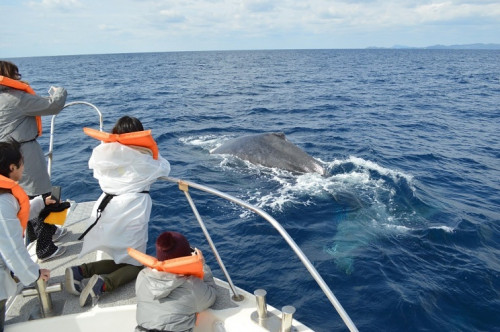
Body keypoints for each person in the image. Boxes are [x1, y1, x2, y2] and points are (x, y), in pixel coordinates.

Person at [64, 116, 171, 307]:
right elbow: (165, 168)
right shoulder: (144, 161)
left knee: (123, 257)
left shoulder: (102, 153)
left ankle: (80, 271)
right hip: (131, 211)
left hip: (106, 209)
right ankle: (102, 285)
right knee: (138, 264)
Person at [0, 60, 68, 261]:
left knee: (23, 196)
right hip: (24, 153)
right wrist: (59, 91)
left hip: (6, 155)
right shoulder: (15, 99)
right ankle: (45, 247)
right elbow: (53, 105)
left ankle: (40, 236)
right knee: (44, 195)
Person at [0, 140, 51, 332]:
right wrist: (34, 274)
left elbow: (13, 218)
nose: (24, 167)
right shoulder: (3, 201)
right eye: (22, 163)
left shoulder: (4, 197)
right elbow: (11, 248)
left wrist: (41, 203)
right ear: (12, 167)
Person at [133, 231, 217, 332]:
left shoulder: (143, 276)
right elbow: (211, 295)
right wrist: (202, 265)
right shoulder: (191, 286)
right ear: (186, 258)